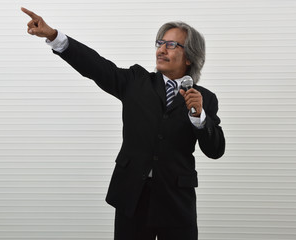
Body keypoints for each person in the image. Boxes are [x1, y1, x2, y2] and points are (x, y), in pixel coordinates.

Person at [21, 7, 225, 240]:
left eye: (171, 45)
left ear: (189, 56)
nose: (161, 49)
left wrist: (200, 118)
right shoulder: (136, 81)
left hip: (176, 200)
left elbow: (216, 150)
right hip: (132, 196)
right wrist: (54, 35)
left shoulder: (204, 99)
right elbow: (96, 66)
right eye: (160, 43)